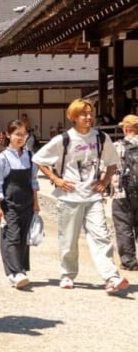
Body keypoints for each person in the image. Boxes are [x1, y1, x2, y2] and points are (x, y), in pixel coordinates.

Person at [33, 99, 129, 294]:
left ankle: (111, 277)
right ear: (73, 117)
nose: (88, 117)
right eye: (83, 114)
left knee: (101, 236)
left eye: (90, 113)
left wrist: (105, 181)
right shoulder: (64, 139)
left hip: (93, 197)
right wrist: (55, 179)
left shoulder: (101, 138)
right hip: (69, 196)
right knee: (68, 239)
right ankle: (67, 274)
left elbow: (112, 162)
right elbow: (39, 158)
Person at [0, 120, 41, 289]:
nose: (21, 138)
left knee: (23, 237)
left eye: (24, 134)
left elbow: (33, 181)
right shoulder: (2, 157)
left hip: (27, 202)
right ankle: (14, 272)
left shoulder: (30, 156)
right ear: (8, 135)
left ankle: (20, 269)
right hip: (9, 203)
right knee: (11, 235)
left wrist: (36, 202)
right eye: (17, 134)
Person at [112, 115, 138, 271]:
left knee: (123, 226)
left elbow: (106, 168)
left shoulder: (117, 146)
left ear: (126, 129)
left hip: (122, 193)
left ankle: (129, 262)